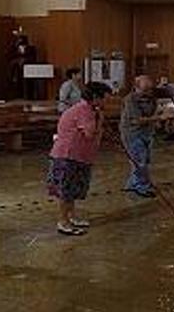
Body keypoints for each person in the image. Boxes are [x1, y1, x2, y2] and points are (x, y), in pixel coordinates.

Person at [46, 82, 112, 236]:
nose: (106, 103)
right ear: (96, 97)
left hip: (79, 156)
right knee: (66, 190)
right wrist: (100, 119)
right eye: (105, 99)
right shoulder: (84, 110)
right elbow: (90, 134)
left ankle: (72, 217)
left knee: (74, 189)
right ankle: (63, 222)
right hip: (67, 156)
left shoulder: (88, 109)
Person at [120, 75, 172, 198]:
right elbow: (136, 120)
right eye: (145, 90)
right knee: (140, 160)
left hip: (147, 132)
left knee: (144, 159)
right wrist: (159, 118)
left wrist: (161, 115)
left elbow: (154, 111)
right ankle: (141, 187)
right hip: (132, 133)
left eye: (150, 89)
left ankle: (132, 184)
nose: (148, 92)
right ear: (136, 87)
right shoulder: (130, 100)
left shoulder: (151, 97)